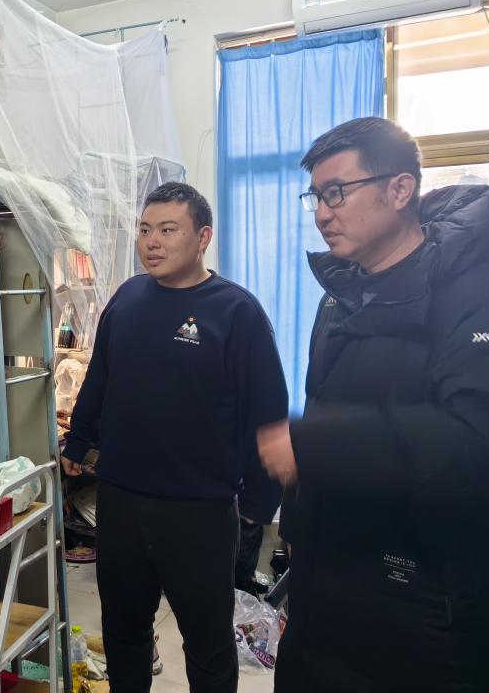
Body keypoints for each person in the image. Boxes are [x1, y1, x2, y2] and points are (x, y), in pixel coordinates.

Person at [258, 117, 489, 692]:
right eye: (315, 197)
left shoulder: (475, 292)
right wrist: (297, 521)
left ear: (399, 189)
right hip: (325, 583)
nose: (322, 213)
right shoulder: (341, 295)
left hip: (422, 604)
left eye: (337, 192)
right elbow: (322, 405)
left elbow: (478, 446)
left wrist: (314, 445)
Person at [62, 182, 287, 693]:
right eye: (145, 230)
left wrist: (259, 502)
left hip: (198, 510)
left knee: (206, 643)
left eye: (167, 230)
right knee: (123, 629)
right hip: (121, 498)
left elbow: (267, 410)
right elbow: (101, 375)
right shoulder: (127, 297)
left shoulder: (237, 312)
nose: (152, 242)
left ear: (203, 237)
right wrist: (79, 439)